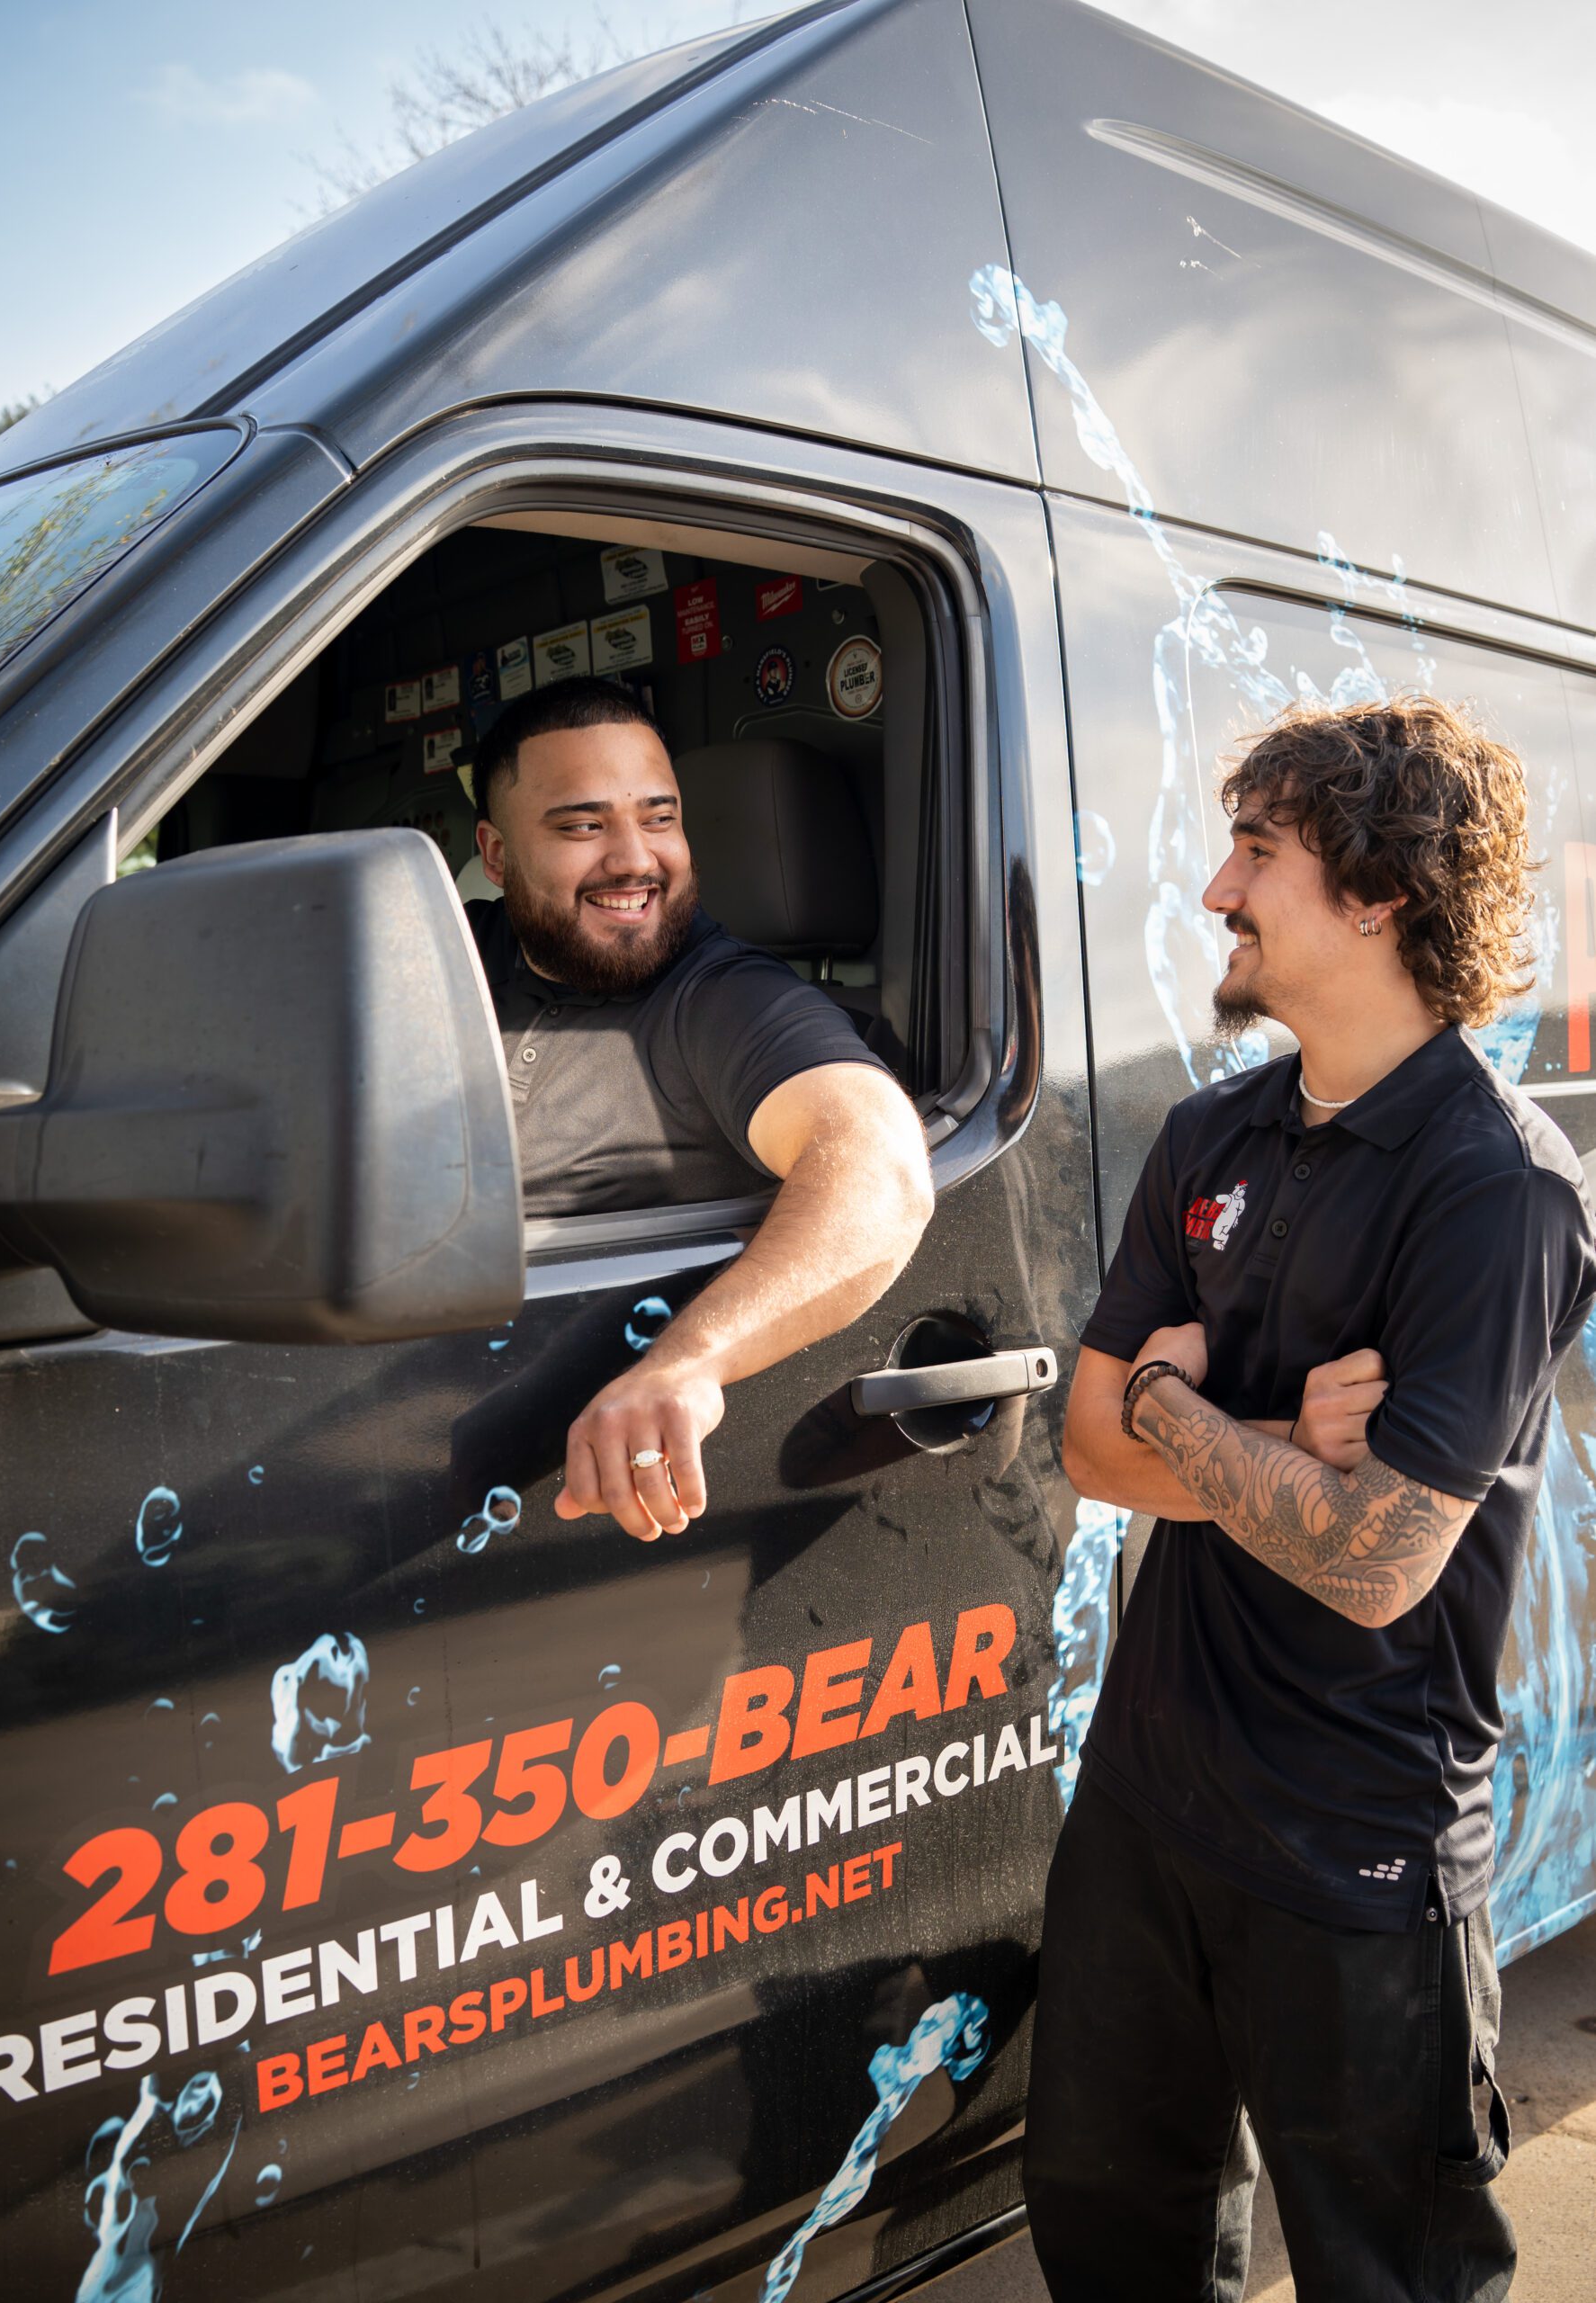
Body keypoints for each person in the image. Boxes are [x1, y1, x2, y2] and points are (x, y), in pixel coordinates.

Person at [1028, 694, 1596, 2302]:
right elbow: (1085, 1453)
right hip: (1144, 1805)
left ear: (1378, 892)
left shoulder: (1497, 1189)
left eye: (1256, 854)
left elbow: (1371, 1563)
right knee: (1108, 2236)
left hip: (1357, 1846)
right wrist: (1268, 1438)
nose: (1216, 890)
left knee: (1387, 2275)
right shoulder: (1209, 1132)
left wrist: (1171, 1403)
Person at [466, 675, 932, 1545]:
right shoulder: (452, 958)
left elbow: (879, 1167)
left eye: (659, 817)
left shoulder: (723, 997)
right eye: (582, 826)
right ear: (496, 856)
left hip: (564, 1503)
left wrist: (685, 1365)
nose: (634, 859)